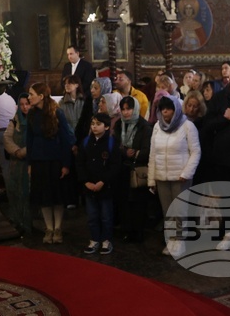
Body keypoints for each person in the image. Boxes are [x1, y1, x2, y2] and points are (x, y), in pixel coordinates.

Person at [149, 96, 201, 256]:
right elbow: (153, 154)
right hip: (162, 176)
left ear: (176, 109)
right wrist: (151, 179)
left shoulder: (187, 126)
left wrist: (187, 173)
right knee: (168, 211)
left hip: (180, 177)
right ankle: (171, 239)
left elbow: (196, 152)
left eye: (168, 108)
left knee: (180, 211)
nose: (165, 112)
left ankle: (180, 240)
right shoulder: (157, 126)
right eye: (162, 109)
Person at [26, 81, 76, 244]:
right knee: (44, 197)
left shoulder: (56, 112)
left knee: (56, 196)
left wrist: (66, 164)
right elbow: (29, 139)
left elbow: (66, 139)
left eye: (31, 94)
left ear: (41, 96)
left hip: (55, 160)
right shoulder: (32, 114)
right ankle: (48, 228)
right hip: (38, 160)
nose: (29, 97)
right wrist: (29, 163)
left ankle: (58, 228)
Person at [78, 113, 121, 255]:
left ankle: (106, 240)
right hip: (89, 186)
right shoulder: (86, 142)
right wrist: (86, 181)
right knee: (92, 216)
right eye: (92, 124)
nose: (94, 127)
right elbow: (80, 163)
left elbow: (115, 166)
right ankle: (94, 239)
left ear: (107, 126)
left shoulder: (111, 143)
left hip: (105, 187)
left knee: (106, 216)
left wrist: (103, 181)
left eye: (98, 124)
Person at [114, 96, 153, 243]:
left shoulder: (144, 126)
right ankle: (127, 230)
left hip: (138, 169)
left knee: (138, 202)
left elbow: (148, 150)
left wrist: (135, 153)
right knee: (124, 201)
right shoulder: (119, 124)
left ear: (135, 108)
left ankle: (138, 231)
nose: (126, 112)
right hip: (122, 168)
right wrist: (125, 152)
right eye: (123, 109)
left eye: (129, 109)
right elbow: (116, 145)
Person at [3, 93, 33, 232]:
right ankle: (17, 219)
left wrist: (26, 151)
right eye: (21, 104)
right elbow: (7, 138)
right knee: (15, 190)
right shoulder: (15, 121)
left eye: (27, 104)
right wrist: (16, 151)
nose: (24, 107)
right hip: (16, 163)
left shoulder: (36, 119)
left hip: (31, 162)